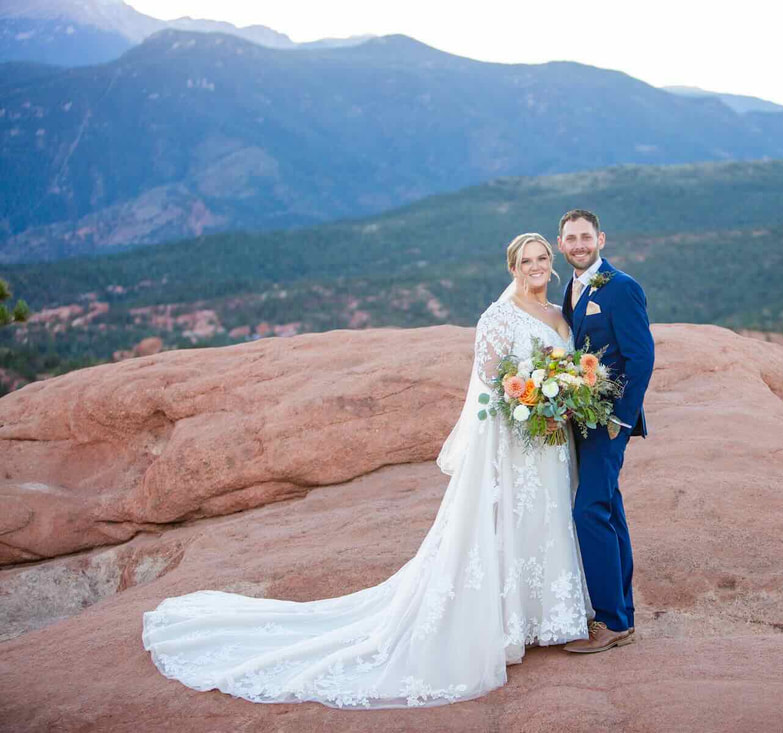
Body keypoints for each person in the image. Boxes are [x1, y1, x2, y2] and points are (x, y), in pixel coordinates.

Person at [142, 233, 592, 709]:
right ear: (513, 268)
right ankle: (507, 622)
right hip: (515, 439)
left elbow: (560, 366)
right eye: (527, 261)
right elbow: (489, 377)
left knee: (545, 517)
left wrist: (557, 397)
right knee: (511, 521)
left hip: (551, 440)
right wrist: (532, 397)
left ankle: (547, 618)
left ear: (552, 263)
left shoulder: (559, 316)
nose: (536, 266)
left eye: (543, 258)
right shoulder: (498, 315)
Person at [558, 209, 654, 653]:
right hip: (581, 419)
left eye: (585, 237)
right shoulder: (571, 288)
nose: (579, 244)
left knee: (588, 512)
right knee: (609, 511)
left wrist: (621, 419)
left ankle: (611, 621)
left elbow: (641, 357)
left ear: (601, 239)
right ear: (562, 245)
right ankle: (624, 615)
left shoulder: (622, 287)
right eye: (571, 238)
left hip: (608, 423)